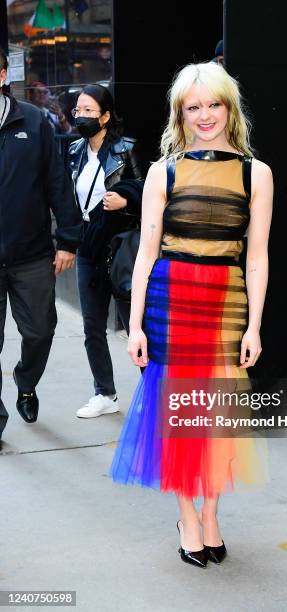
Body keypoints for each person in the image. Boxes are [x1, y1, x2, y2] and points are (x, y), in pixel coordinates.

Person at [110, 62, 273, 567]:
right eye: (193, 107)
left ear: (230, 108)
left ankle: (212, 513)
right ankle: (188, 515)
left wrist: (255, 325)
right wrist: (135, 324)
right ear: (180, 114)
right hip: (171, 300)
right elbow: (145, 253)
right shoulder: (164, 170)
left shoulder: (256, 173)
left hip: (226, 301)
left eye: (213, 104)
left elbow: (258, 255)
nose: (205, 115)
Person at [0, 48, 82, 447]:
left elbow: (56, 182)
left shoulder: (33, 122)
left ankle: (26, 380)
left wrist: (67, 239)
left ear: (3, 75)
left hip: (31, 253)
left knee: (40, 331)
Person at [68, 84, 143, 419]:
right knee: (92, 325)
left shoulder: (127, 149)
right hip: (88, 246)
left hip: (122, 247)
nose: (81, 116)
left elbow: (149, 189)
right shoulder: (73, 150)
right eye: (78, 111)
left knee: (134, 325)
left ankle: (154, 396)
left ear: (106, 115)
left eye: (88, 111)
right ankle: (104, 393)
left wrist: (127, 198)